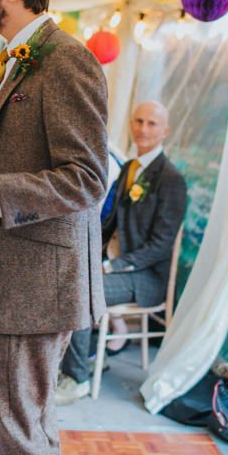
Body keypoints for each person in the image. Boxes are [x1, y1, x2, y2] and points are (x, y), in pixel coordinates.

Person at [0, 0, 109, 455]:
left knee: (12, 433)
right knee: (27, 428)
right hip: (20, 281)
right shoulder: (13, 57)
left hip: (32, 285)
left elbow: (88, 177)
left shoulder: (65, 59)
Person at [58, 101, 187, 405]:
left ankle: (77, 379)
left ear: (164, 131)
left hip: (146, 277)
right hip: (114, 264)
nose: (143, 129)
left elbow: (160, 246)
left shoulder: (171, 180)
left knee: (82, 289)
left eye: (152, 124)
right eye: (138, 121)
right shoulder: (129, 168)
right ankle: (87, 358)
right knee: (67, 273)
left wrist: (112, 265)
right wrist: (85, 252)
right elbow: (110, 221)